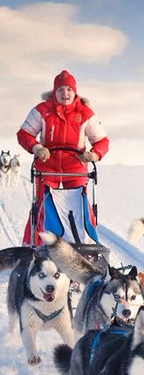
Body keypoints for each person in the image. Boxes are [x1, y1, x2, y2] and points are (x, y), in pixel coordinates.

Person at [17, 70, 109, 246]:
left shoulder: (85, 113)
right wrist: (37, 147)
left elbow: (102, 140)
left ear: (75, 92)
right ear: (54, 92)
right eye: (60, 90)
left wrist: (94, 154)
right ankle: (34, 245)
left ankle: (84, 244)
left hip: (75, 168)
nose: (64, 93)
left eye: (68, 89)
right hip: (47, 166)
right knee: (42, 207)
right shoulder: (42, 110)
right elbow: (24, 134)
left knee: (79, 207)